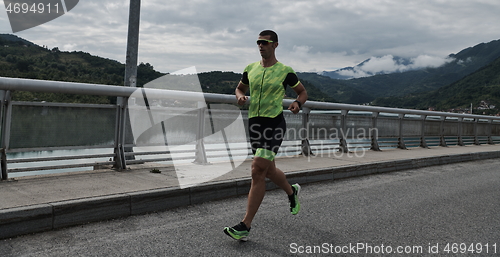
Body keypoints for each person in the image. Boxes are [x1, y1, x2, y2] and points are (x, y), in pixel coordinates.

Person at [224, 30, 308, 241]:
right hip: (255, 123)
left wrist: (297, 103)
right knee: (268, 170)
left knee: (257, 169)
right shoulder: (250, 69)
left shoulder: (285, 71)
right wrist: (241, 96)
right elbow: (239, 89)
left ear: (275, 45)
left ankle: (245, 224)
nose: (261, 46)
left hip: (274, 123)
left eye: (265, 42)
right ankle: (292, 192)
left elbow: (302, 92)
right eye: (259, 42)